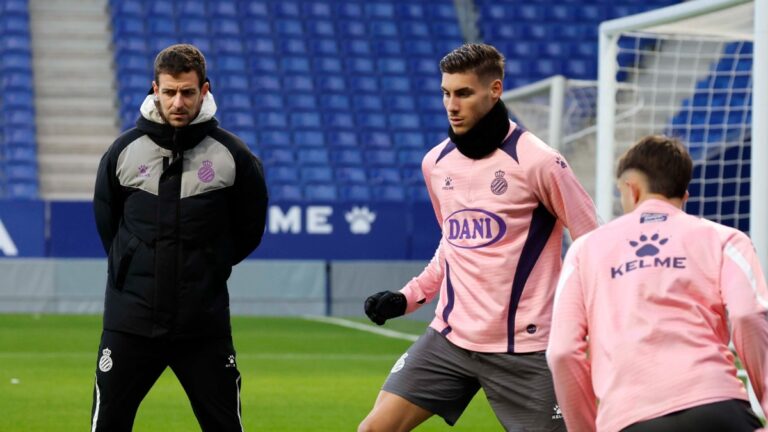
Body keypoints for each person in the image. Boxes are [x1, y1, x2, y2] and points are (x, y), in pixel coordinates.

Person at [358, 43, 599, 431]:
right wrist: (409, 297)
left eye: (464, 93)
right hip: (450, 339)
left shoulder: (539, 161)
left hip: (526, 350)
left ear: (495, 89)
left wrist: (590, 324)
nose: (452, 105)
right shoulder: (436, 163)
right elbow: (452, 245)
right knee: (374, 428)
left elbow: (593, 244)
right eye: (446, 93)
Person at [90, 44, 268, 431]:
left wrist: (209, 262)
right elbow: (109, 223)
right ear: (154, 89)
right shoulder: (122, 152)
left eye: (187, 92)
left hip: (202, 324)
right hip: (130, 321)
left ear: (204, 90)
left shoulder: (233, 157)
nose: (177, 102)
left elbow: (249, 230)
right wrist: (134, 260)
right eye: (169, 92)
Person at [547, 135, 768, 432]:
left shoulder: (584, 250)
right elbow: (748, 315)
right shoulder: (726, 239)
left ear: (632, 189)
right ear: (684, 196)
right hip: (717, 406)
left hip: (630, 417)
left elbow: (561, 352)